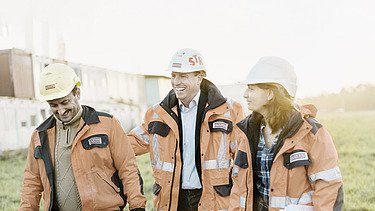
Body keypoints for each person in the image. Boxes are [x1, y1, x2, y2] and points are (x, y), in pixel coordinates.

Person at [128, 48, 245, 211]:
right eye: (173, 75)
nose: (176, 82)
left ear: (199, 77)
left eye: (183, 76)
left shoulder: (229, 111)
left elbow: (244, 160)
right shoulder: (157, 114)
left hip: (214, 200)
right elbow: (127, 144)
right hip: (172, 200)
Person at [19, 63, 146, 211]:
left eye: (65, 102)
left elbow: (128, 168)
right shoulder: (40, 136)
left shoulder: (108, 125)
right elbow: (31, 184)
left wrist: (137, 206)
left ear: (77, 93)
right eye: (53, 105)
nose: (61, 111)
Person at [229, 56, 344, 211]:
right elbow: (238, 187)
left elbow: (328, 188)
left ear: (270, 93)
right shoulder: (247, 131)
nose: (245, 94)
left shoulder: (312, 133)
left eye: (251, 88)